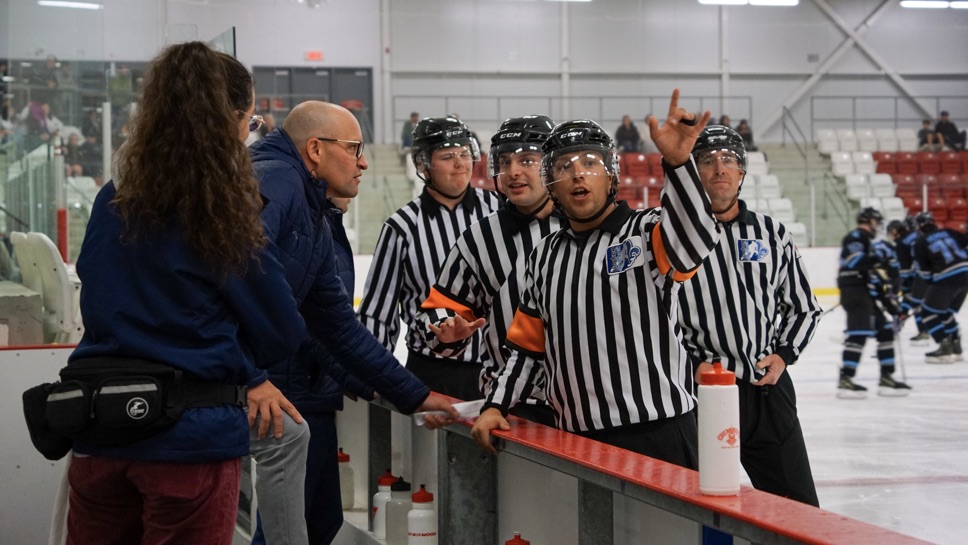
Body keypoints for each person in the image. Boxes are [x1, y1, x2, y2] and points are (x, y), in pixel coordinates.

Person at [62, 41, 308, 545]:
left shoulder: (114, 196)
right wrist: (248, 368)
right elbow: (282, 328)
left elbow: (99, 295)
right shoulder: (220, 207)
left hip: (99, 425)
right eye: (250, 121)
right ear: (233, 121)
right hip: (186, 441)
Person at [471, 89, 720, 469]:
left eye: (590, 162)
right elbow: (527, 351)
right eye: (563, 166)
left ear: (611, 175)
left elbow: (696, 238)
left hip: (661, 433)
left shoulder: (645, 232)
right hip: (577, 439)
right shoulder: (545, 256)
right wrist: (496, 405)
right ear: (551, 183)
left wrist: (678, 163)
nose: (577, 173)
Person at [249, 100, 458, 545]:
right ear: (316, 150)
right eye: (354, 148)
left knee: (316, 523)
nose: (364, 161)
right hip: (258, 391)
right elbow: (235, 270)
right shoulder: (278, 179)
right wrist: (248, 376)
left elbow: (338, 326)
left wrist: (413, 395)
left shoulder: (315, 219)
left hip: (294, 391)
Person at [677, 125, 822, 506]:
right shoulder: (671, 236)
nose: (719, 168)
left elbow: (804, 307)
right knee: (698, 504)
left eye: (728, 160)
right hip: (696, 393)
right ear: (694, 174)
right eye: (707, 161)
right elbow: (651, 316)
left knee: (797, 506)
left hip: (766, 392)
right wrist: (687, 365)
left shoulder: (771, 233)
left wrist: (784, 355)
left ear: (742, 172)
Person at [417, 115, 565, 425]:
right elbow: (437, 311)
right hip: (514, 407)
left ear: (552, 164)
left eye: (527, 160)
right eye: (505, 160)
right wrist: (446, 331)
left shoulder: (584, 225)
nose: (513, 171)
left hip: (592, 407)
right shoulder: (480, 237)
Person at [359, 116, 502, 401]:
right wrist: (371, 375)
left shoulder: (499, 211)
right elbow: (378, 312)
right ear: (423, 165)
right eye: (448, 156)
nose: (461, 163)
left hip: (499, 370)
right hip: (432, 374)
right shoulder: (402, 226)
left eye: (465, 153)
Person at [835, 207, 912, 398]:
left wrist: (891, 305)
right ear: (867, 221)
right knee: (858, 334)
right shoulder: (856, 237)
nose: (878, 226)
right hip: (855, 292)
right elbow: (854, 261)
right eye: (876, 221)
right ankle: (846, 380)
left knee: (885, 331)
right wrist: (879, 261)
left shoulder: (868, 242)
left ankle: (887, 376)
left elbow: (872, 276)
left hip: (863, 293)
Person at [912, 211, 968, 364]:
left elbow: (925, 273)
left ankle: (944, 346)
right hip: (966, 273)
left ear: (919, 227)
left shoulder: (920, 243)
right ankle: (956, 346)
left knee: (927, 311)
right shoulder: (950, 231)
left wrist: (932, 282)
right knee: (945, 311)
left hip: (947, 277)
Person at [887, 217, 930, 345]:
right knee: (916, 301)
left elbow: (905, 271)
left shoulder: (901, 243)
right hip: (933, 271)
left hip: (920, 275)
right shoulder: (916, 234)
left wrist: (901, 286)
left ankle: (920, 330)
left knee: (912, 300)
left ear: (895, 231)